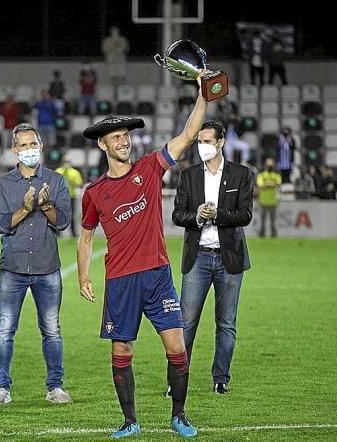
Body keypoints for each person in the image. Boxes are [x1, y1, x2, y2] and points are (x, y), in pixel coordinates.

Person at [77, 73, 207, 438]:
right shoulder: (94, 192)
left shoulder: (150, 168)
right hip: (120, 280)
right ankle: (130, 420)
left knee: (176, 346)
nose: (123, 141)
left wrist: (203, 97)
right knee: (121, 348)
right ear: (103, 145)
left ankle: (179, 415)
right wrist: (83, 275)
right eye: (116, 137)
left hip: (157, 274)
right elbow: (85, 238)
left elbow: (187, 137)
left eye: (126, 136)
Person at [0, 123, 72, 406]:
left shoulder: (56, 181)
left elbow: (63, 221)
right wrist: (25, 209)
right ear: (15, 150)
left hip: (47, 267)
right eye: (22, 146)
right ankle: (1, 387)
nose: (28, 150)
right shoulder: (2, 184)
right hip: (12, 267)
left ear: (41, 146)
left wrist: (46, 206)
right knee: (5, 329)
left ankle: (55, 386)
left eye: (32, 144)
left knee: (51, 330)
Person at [172, 119, 253, 398]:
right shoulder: (188, 175)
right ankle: (177, 380)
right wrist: (196, 216)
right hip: (198, 259)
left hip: (229, 259)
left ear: (220, 142)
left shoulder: (241, 174)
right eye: (199, 142)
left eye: (207, 141)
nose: (202, 147)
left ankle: (221, 379)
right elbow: (176, 215)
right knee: (186, 324)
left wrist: (217, 214)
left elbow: (245, 215)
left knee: (226, 323)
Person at [55, 154, 83, 238]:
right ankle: (58, 233)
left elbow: (79, 183)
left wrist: (71, 180)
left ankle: (73, 233)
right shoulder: (58, 171)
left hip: (71, 196)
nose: (66, 163)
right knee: (59, 215)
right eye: (65, 161)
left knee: (72, 216)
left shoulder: (74, 172)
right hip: (60, 197)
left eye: (67, 161)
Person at [256, 157, 281, 237]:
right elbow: (260, 185)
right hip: (263, 200)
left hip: (273, 201)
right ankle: (262, 234)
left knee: (273, 221)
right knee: (263, 220)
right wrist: (272, 184)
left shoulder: (276, 175)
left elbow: (278, 184)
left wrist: (266, 184)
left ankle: (273, 234)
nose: (270, 166)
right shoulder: (261, 175)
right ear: (265, 165)